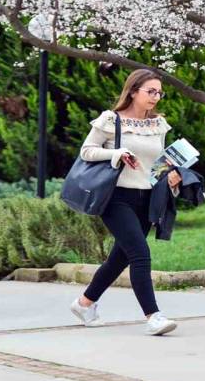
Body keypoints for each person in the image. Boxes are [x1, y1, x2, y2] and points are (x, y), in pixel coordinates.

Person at [69, 69, 183, 336]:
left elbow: (157, 163)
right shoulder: (111, 120)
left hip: (147, 198)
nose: (156, 97)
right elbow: (86, 151)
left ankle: (84, 304)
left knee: (119, 259)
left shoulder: (158, 124)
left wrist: (170, 175)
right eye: (150, 91)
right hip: (116, 197)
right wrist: (116, 153)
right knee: (140, 254)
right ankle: (153, 317)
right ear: (133, 91)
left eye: (159, 93)